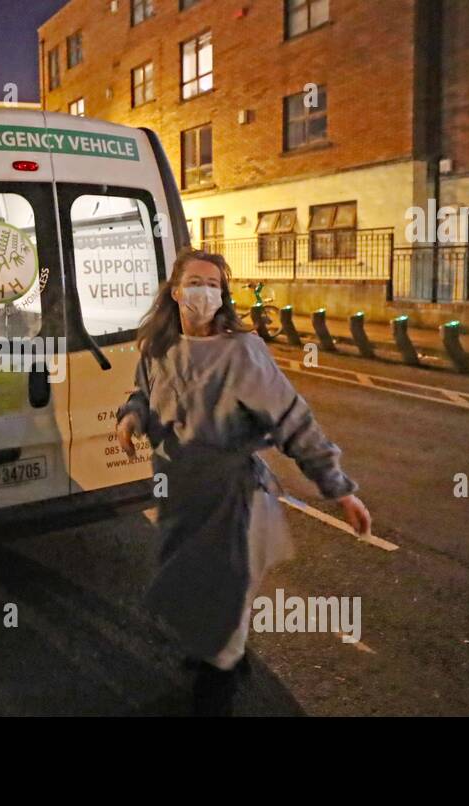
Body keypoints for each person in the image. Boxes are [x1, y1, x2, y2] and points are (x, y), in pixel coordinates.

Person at [116, 247, 372, 717]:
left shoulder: (242, 353)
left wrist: (339, 489)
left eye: (214, 285)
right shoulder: (157, 346)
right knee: (192, 587)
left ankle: (217, 690)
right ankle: (216, 656)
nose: (204, 293)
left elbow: (294, 421)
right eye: (195, 282)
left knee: (225, 594)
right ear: (175, 291)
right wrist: (131, 417)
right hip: (179, 493)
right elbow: (142, 392)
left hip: (233, 499)